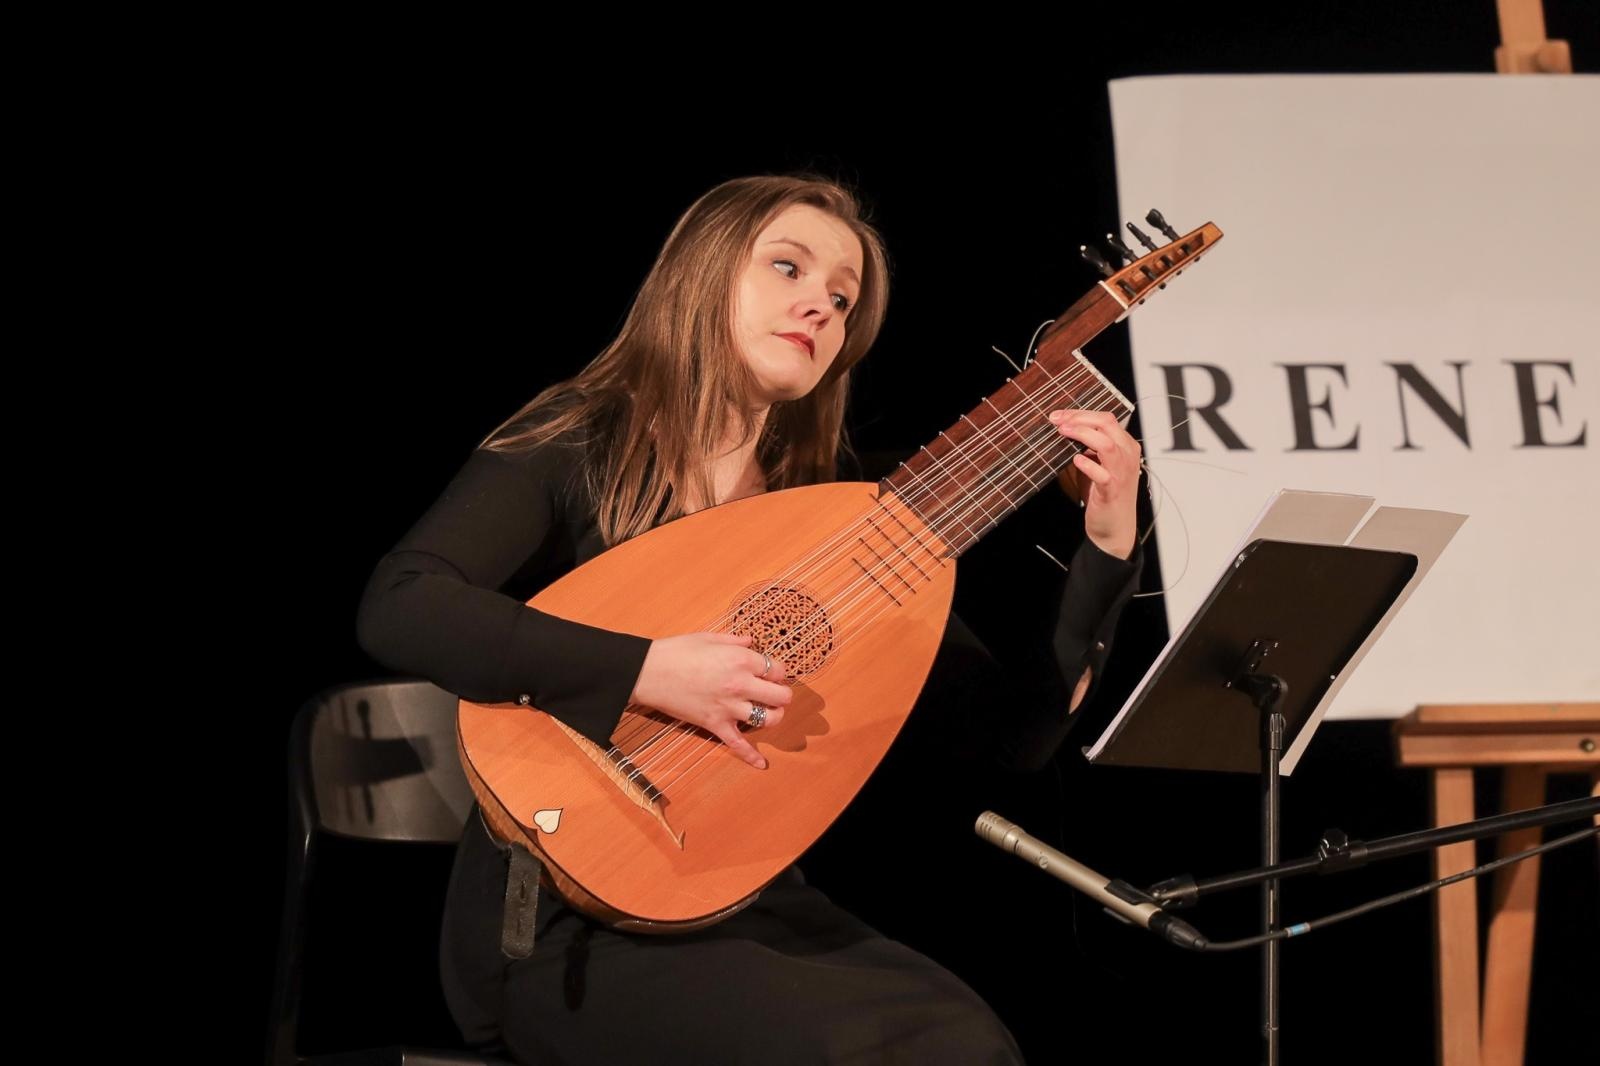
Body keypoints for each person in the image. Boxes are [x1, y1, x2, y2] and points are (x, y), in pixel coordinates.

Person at [355, 173, 1144, 1064]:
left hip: (740, 897)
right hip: (553, 914)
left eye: (842, 299)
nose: (820, 306)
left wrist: (1108, 548)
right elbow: (404, 603)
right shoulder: (584, 439)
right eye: (788, 268)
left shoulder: (834, 522)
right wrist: (649, 670)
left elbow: (1012, 739)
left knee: (962, 1042)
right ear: (703, 274)